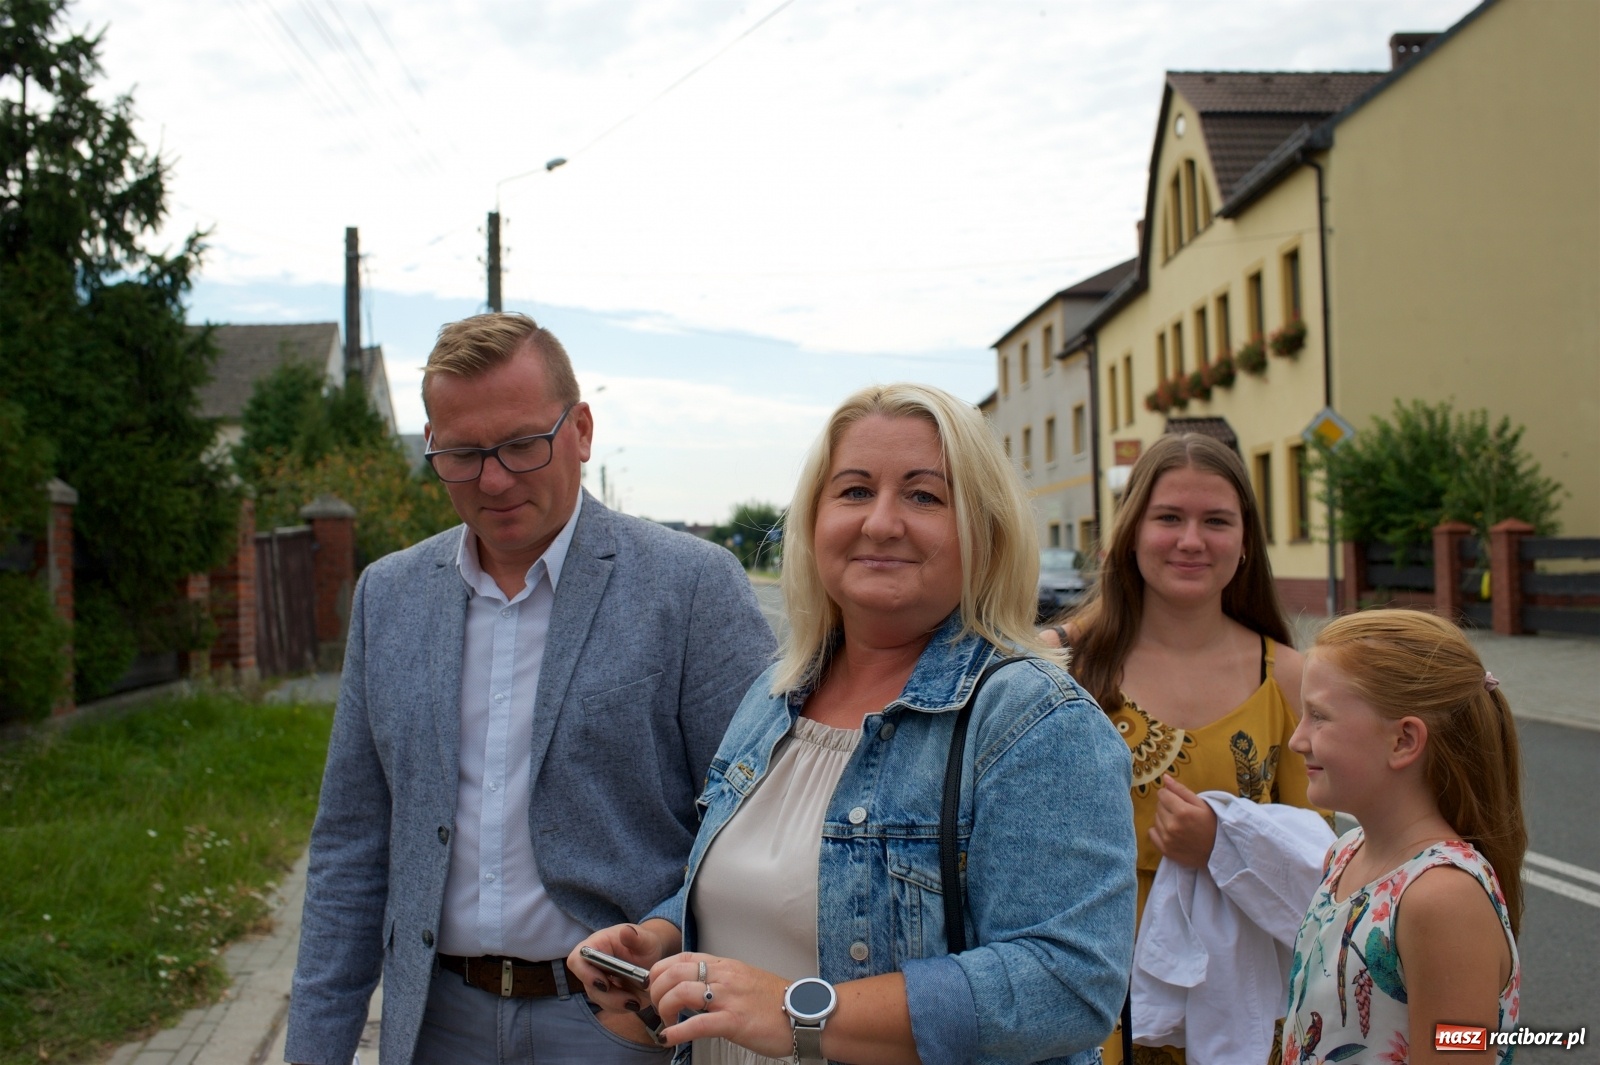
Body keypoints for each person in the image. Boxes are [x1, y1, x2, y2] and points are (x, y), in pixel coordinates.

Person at [570, 382, 1137, 1065]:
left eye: (924, 494)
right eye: (855, 491)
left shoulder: (1034, 719)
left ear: (984, 529)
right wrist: (663, 934)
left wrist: (797, 1010)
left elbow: (1071, 982)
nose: (881, 522)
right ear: (814, 521)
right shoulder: (776, 693)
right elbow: (783, 881)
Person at [284, 313, 776, 1065]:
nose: (493, 478)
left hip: (622, 1025)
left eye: (521, 444)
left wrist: (665, 935)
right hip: (435, 1022)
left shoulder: (690, 586)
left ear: (579, 429)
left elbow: (757, 827)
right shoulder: (388, 596)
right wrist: (315, 1049)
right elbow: (352, 844)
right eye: (461, 453)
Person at [1042, 432, 1325, 1065]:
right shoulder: (1060, 668)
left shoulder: (1290, 679)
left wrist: (1224, 844)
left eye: (1216, 521)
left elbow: (1320, 866)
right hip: (1088, 988)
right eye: (1168, 517)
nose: (1191, 540)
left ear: (1246, 541)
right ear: (1131, 533)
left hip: (1234, 1002)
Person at [1283, 609, 1524, 1064]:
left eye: (1318, 716)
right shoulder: (1344, 854)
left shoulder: (1442, 898)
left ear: (1403, 742)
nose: (1297, 739)